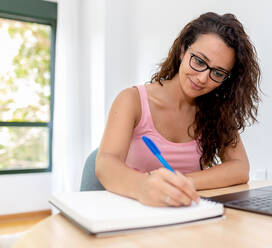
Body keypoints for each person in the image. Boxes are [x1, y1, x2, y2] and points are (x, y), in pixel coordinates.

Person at [96, 12, 261, 208]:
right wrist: (144, 186)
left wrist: (182, 183)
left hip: (185, 214)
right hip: (135, 214)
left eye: (217, 73)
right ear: (183, 50)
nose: (202, 78)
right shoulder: (132, 100)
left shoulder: (216, 110)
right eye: (199, 61)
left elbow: (240, 168)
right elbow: (106, 165)